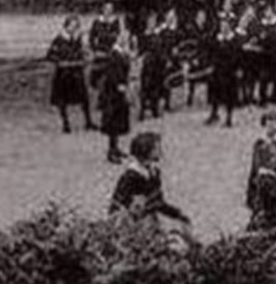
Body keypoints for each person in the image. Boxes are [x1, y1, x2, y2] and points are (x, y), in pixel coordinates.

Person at [109, 131, 190, 228]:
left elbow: (158, 201)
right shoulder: (131, 176)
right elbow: (118, 204)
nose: (160, 150)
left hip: (147, 214)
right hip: (132, 220)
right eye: (156, 148)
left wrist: (176, 214)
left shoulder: (153, 172)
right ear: (146, 151)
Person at [46, 15, 94, 134]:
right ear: (66, 26)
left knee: (84, 97)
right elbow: (50, 55)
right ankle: (66, 124)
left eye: (76, 26)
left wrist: (84, 58)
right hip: (64, 74)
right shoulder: (59, 39)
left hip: (76, 72)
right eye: (72, 26)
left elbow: (80, 52)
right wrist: (60, 61)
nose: (74, 28)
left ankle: (88, 122)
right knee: (62, 100)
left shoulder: (76, 39)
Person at [246, 110, 276, 241]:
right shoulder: (260, 143)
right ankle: (254, 233)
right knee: (261, 208)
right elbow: (257, 166)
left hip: (273, 181)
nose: (274, 127)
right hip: (262, 182)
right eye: (270, 124)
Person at [96, 30, 134, 164]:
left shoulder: (122, 53)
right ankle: (111, 152)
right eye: (123, 38)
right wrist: (120, 86)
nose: (126, 40)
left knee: (118, 120)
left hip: (119, 89)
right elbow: (112, 73)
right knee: (112, 121)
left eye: (127, 38)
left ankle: (116, 147)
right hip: (112, 92)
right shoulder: (114, 54)